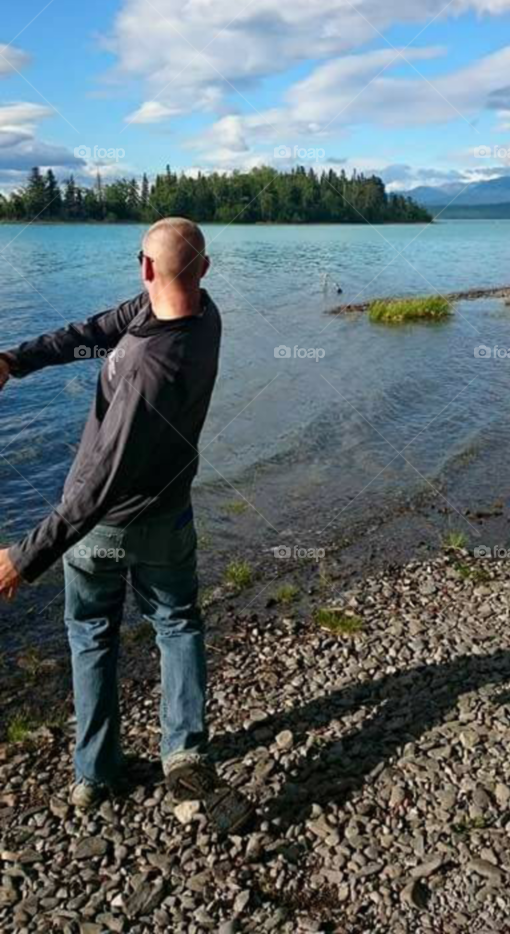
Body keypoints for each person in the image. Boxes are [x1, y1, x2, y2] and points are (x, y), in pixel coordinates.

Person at [0, 218, 253, 832]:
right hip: (168, 519)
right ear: (206, 270)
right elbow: (93, 332)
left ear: (144, 267)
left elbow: (94, 488)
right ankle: (180, 751)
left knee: (94, 636)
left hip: (103, 529)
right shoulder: (201, 313)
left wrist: (25, 558)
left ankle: (99, 774)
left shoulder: (147, 366)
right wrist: (14, 360)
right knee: (177, 623)